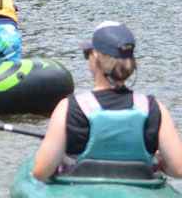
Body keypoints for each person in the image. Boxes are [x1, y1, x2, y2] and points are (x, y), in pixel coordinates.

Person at [31, 21, 182, 180]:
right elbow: (179, 169)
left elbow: (40, 172)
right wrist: (157, 162)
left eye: (87, 53)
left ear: (95, 57)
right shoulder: (155, 109)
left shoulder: (69, 108)